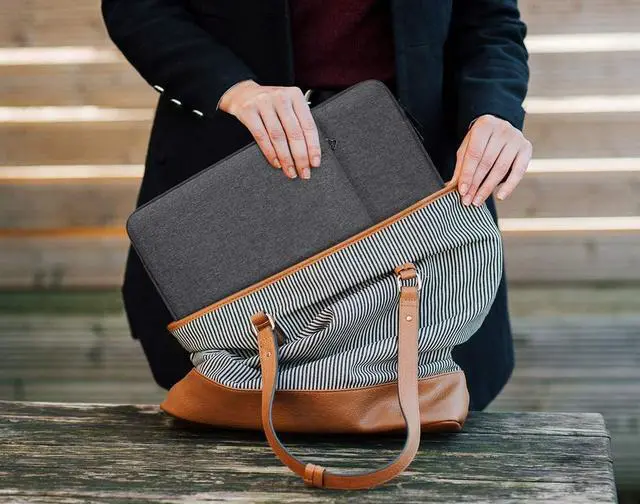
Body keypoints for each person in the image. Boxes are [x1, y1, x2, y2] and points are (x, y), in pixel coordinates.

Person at [102, 0, 531, 411]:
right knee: (225, 396)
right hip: (238, 157)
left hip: (411, 164)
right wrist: (234, 89)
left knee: (437, 385)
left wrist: (495, 112)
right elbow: (138, 8)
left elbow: (489, 22)